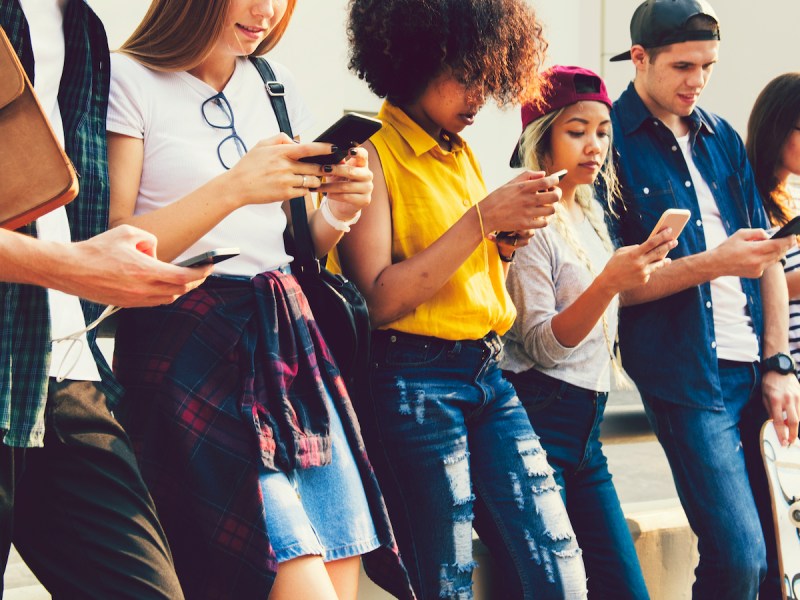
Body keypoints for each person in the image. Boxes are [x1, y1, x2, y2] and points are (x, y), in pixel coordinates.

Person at [105, 1, 413, 599]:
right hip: (187, 343)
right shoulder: (129, 78)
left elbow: (292, 243)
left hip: (286, 343)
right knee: (285, 571)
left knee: (337, 563)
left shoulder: (275, 85)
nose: (266, 10)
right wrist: (236, 187)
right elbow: (116, 244)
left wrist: (338, 214)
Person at [337, 1, 588, 598]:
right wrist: (483, 219)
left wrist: (503, 243)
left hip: (487, 372)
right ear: (412, 59)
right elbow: (376, 299)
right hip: (411, 379)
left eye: (491, 76)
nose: (480, 96)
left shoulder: (461, 151)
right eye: (466, 74)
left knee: (560, 569)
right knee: (444, 581)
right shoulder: (369, 156)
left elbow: (472, 282)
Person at [0, 1, 214, 598]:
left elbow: (68, 212)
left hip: (63, 373)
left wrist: (109, 265)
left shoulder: (84, 30)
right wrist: (74, 268)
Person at [607, 0, 800, 597]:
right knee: (738, 557)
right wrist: (713, 263)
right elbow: (613, 286)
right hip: (686, 378)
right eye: (683, 66)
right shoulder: (608, 142)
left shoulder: (721, 138)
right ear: (639, 59)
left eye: (708, 67)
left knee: (778, 559)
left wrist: (778, 363)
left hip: (753, 368)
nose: (698, 81)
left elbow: (763, 256)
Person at [501, 65, 677, 599]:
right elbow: (542, 345)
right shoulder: (528, 216)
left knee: (626, 589)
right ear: (542, 135)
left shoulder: (589, 209)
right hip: (538, 420)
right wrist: (609, 281)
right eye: (576, 131)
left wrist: (634, 270)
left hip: (587, 433)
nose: (594, 145)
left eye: (602, 132)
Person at [746, 73, 800, 368]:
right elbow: (751, 287)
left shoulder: (789, 198)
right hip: (781, 370)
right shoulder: (748, 199)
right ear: (777, 128)